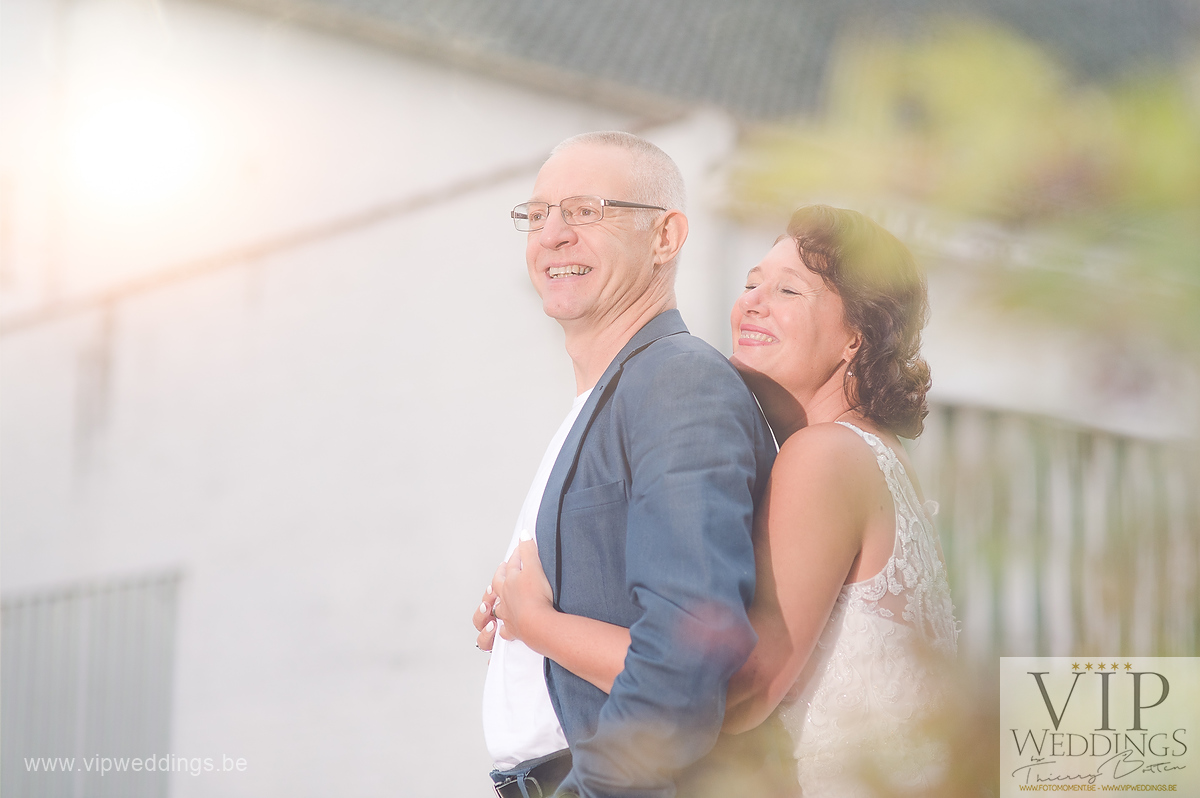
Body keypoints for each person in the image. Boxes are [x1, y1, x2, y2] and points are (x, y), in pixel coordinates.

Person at [493, 204, 960, 797]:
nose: (753, 303)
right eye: (751, 284)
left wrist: (538, 623)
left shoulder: (824, 455)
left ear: (856, 336)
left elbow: (737, 688)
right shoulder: (872, 456)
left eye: (788, 290)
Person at [471, 132, 790, 798]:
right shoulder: (606, 399)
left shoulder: (677, 382)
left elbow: (685, 661)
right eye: (538, 214)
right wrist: (521, 629)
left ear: (665, 237)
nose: (552, 235)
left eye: (585, 211)